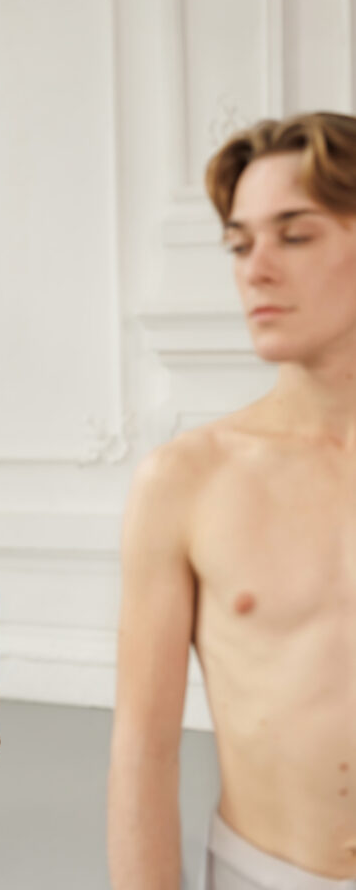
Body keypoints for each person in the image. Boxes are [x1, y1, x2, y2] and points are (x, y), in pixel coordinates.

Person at [107, 112, 356, 890]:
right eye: (240, 245)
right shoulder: (186, 480)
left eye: (294, 235)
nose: (256, 269)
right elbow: (142, 753)